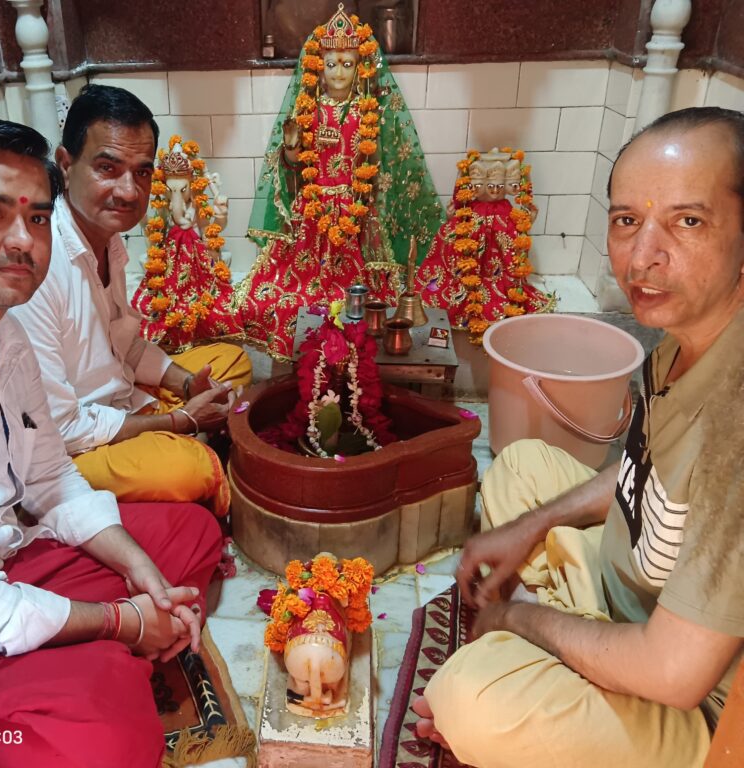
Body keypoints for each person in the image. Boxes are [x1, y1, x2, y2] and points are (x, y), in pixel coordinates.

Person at [0, 117, 223, 767]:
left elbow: (52, 479)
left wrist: (139, 571)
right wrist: (122, 620)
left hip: (15, 554)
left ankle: (97, 654)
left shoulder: (4, 328)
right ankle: (102, 662)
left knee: (189, 535)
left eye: (37, 218)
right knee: (107, 744)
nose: (22, 241)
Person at [412, 107, 744, 767]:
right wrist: (530, 526)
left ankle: (549, 657)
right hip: (626, 590)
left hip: (691, 706)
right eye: (627, 220)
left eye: (688, 221)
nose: (643, 257)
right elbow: (641, 473)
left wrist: (515, 619)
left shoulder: (734, 429)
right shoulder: (684, 345)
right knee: (522, 465)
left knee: (469, 702)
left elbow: (673, 675)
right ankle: (570, 649)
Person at [12, 85, 252, 514]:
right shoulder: (40, 265)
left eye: (141, 173)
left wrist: (188, 384)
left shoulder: (107, 240)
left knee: (232, 362)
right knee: (190, 469)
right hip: (67, 452)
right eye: (108, 168)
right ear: (65, 165)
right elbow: (60, 427)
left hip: (117, 401)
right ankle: (180, 446)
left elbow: (126, 346)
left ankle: (172, 434)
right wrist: (181, 420)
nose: (127, 191)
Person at [236, 4, 442, 360]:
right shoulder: (308, 110)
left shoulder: (368, 112)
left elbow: (382, 168)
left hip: (355, 212)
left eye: (347, 64)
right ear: (319, 67)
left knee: (368, 294)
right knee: (287, 293)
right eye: (331, 64)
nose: (338, 73)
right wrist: (291, 148)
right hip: (313, 212)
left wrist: (366, 193)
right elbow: (292, 169)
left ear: (360, 67)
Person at [415, 147, 555, 345]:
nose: (494, 191)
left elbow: (518, 239)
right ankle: (466, 291)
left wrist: (528, 219)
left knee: (509, 245)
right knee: (450, 236)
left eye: (499, 186)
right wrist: (452, 216)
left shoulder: (507, 215)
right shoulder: (471, 206)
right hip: (473, 219)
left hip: (502, 222)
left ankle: (498, 292)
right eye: (489, 185)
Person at [131, 137, 244, 352]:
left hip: (196, 257)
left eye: (183, 190)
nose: (177, 196)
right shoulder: (164, 206)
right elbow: (156, 233)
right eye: (171, 190)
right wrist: (143, 219)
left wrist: (221, 215)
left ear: (192, 186)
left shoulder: (197, 206)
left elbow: (211, 230)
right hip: (170, 257)